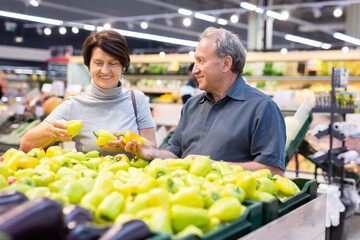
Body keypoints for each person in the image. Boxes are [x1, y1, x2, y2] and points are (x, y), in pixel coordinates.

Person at [121, 27, 286, 176]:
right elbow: (175, 154)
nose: (194, 70)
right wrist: (152, 153)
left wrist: (213, 166)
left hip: (230, 204)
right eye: (195, 62)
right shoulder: (192, 106)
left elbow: (273, 171)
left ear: (226, 64)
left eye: (201, 61)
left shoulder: (261, 108)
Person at [21, 30, 156, 157]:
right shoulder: (74, 104)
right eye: (98, 63)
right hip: (91, 180)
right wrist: (50, 132)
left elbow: (152, 148)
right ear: (89, 66)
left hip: (133, 180)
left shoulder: (136, 99)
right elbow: (26, 145)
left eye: (113, 63)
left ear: (123, 66)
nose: (105, 70)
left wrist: (129, 143)